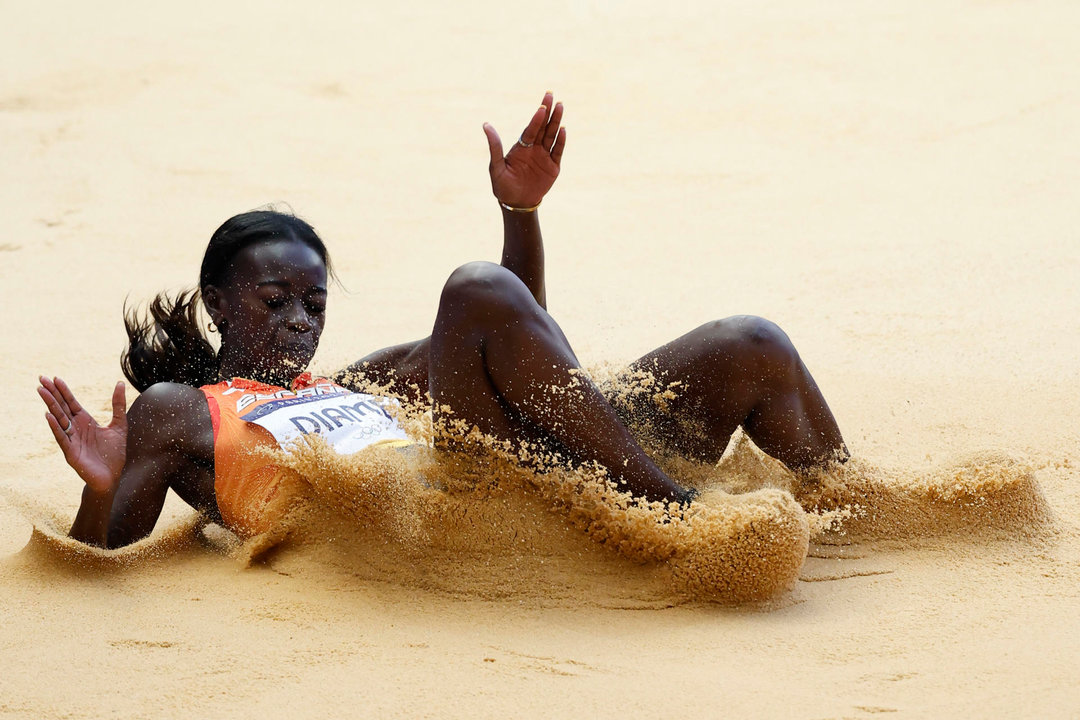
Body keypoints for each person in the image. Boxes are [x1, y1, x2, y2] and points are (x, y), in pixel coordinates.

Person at [37, 93, 847, 549]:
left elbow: (516, 334)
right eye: (273, 300)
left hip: (552, 465)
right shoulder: (182, 409)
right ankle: (673, 510)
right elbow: (103, 562)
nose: (298, 323)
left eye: (314, 305)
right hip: (457, 517)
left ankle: (860, 513)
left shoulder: (352, 383)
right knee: (471, 287)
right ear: (217, 304)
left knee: (752, 344)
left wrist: (518, 212)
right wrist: (103, 485)